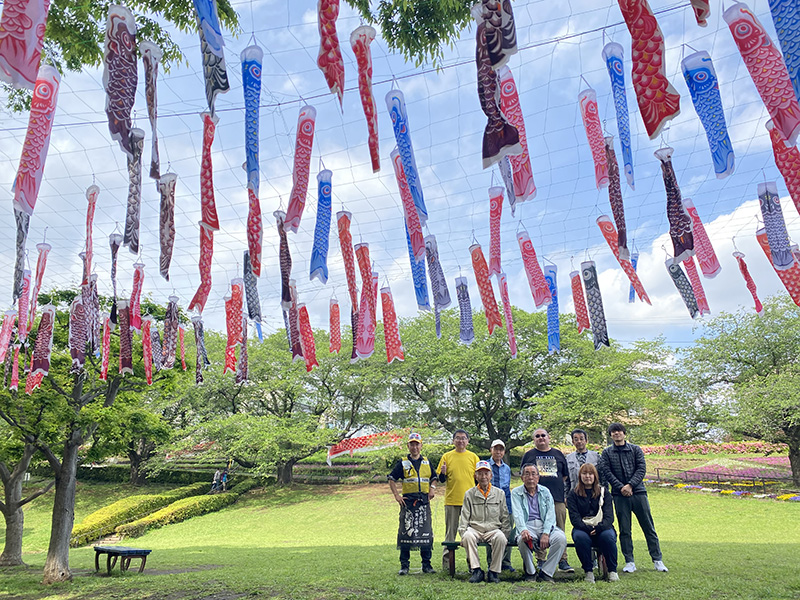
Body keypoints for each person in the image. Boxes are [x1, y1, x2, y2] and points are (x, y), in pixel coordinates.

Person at [598, 423, 668, 574]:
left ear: (624, 433)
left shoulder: (635, 449)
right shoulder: (607, 452)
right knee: (625, 529)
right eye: (613, 432)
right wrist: (621, 487)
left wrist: (630, 485)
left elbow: (641, 468)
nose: (616, 434)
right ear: (610, 435)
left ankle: (657, 559)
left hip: (639, 493)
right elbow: (607, 472)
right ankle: (629, 561)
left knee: (648, 527)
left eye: (619, 431)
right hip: (619, 495)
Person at [520, 428, 574, 573]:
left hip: (557, 499)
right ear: (534, 440)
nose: (541, 438)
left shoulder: (558, 454)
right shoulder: (529, 455)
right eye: (537, 436)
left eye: (543, 435)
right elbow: (524, 475)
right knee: (539, 530)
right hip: (534, 500)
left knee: (559, 530)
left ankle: (562, 561)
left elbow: (564, 476)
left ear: (549, 438)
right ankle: (541, 560)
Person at [387, 432, 438, 575]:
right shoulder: (402, 463)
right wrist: (396, 495)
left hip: (424, 502)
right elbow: (391, 478)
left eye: (417, 444)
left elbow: (434, 477)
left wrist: (432, 489)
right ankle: (404, 565)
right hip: (408, 503)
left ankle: (426, 565)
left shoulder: (427, 462)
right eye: (412, 444)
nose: (414, 447)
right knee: (405, 533)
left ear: (421, 445)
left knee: (426, 533)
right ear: (408, 446)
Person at [511, 463, 568, 583]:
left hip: (544, 525)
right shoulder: (516, 492)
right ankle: (530, 572)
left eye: (533, 474)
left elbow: (550, 514)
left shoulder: (545, 491)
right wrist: (523, 530)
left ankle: (546, 572)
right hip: (527, 525)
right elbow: (517, 513)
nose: (530, 477)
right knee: (522, 539)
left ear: (538, 477)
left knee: (561, 538)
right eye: (527, 474)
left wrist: (546, 533)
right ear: (522, 478)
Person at [458, 460, 511, 583]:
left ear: (491, 476)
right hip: (475, 529)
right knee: (467, 537)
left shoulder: (500, 493)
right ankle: (476, 570)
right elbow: (464, 516)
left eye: (486, 474)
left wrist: (505, 533)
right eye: (480, 474)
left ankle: (493, 572)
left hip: (493, 529)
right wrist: (462, 533)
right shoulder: (469, 494)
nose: (483, 477)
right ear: (475, 476)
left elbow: (505, 517)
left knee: (501, 538)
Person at [566, 463, 619, 583]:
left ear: (595, 476)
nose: (587, 476)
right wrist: (587, 528)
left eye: (590, 474)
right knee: (580, 537)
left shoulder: (605, 493)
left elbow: (609, 517)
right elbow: (574, 518)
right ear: (580, 476)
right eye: (584, 474)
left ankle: (612, 571)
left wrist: (599, 528)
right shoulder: (573, 494)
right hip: (582, 528)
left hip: (602, 527)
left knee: (608, 537)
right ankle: (588, 571)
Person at [437, 429, 479, 570]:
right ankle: (447, 565)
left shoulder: (473, 457)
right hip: (451, 501)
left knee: (470, 534)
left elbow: (479, 479)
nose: (461, 441)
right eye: (458, 438)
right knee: (450, 533)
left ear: (468, 441)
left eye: (463, 438)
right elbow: (441, 479)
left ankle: (472, 564)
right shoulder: (447, 456)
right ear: (453, 441)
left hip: (470, 502)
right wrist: (442, 473)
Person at [487, 439, 515, 572]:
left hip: (506, 505)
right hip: (490, 504)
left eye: (501, 449)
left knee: (507, 533)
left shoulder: (507, 468)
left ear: (504, 452)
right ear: (491, 450)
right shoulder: (485, 465)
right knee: (490, 532)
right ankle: (491, 562)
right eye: (496, 449)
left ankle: (505, 562)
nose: (498, 452)